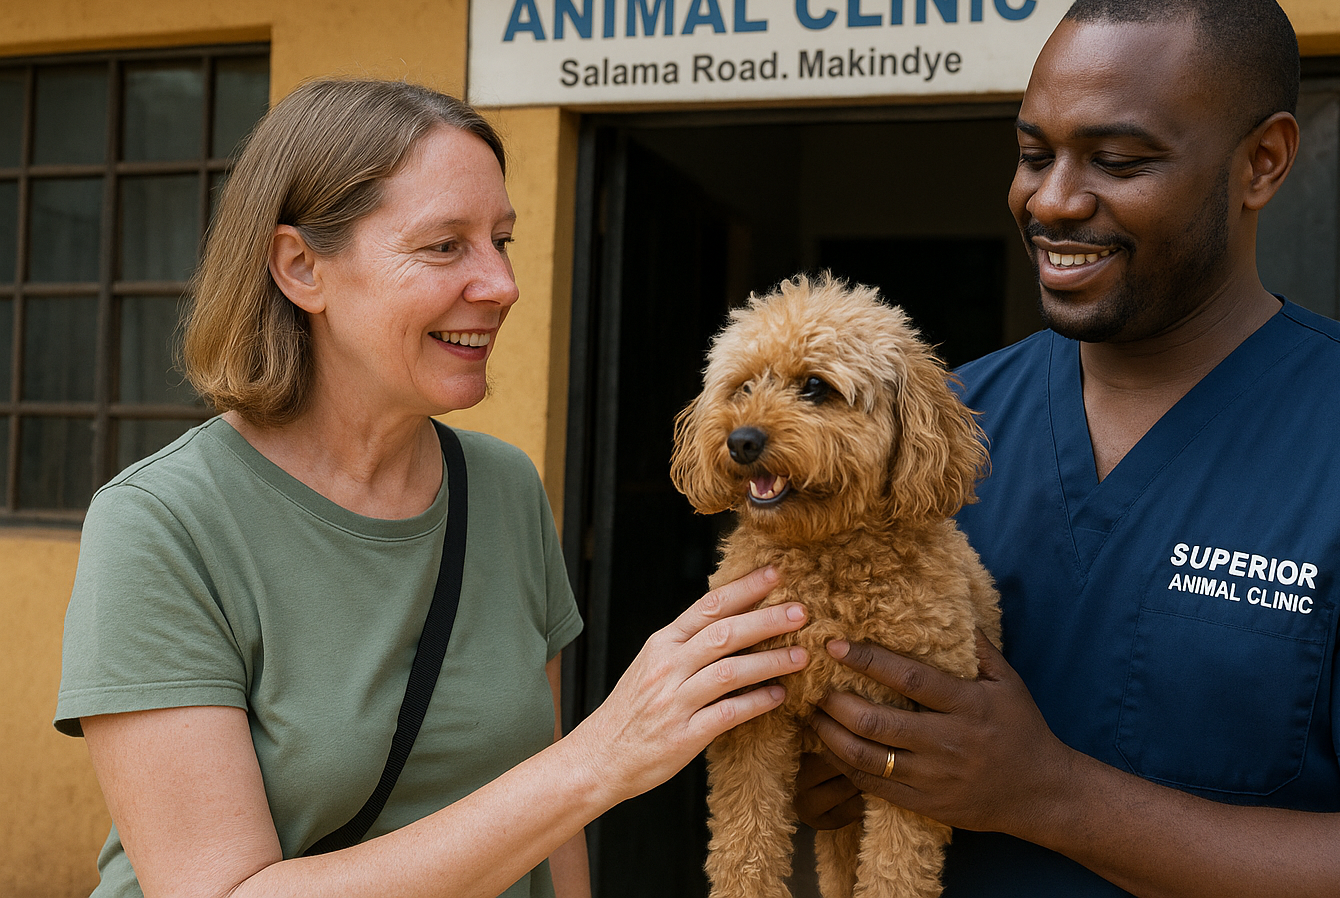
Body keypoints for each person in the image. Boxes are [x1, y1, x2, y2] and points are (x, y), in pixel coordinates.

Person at [796, 0, 1340, 896]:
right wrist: (844, 767)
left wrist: (1048, 794)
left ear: (1260, 163)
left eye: (1118, 161)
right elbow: (847, 759)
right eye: (1033, 154)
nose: (1054, 200)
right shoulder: (927, 431)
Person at [55, 79, 809, 898]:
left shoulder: (504, 490)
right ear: (301, 268)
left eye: (502, 240)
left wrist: (583, 778)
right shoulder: (163, 524)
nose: (502, 284)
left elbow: (549, 832)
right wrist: (602, 760)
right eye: (446, 245)